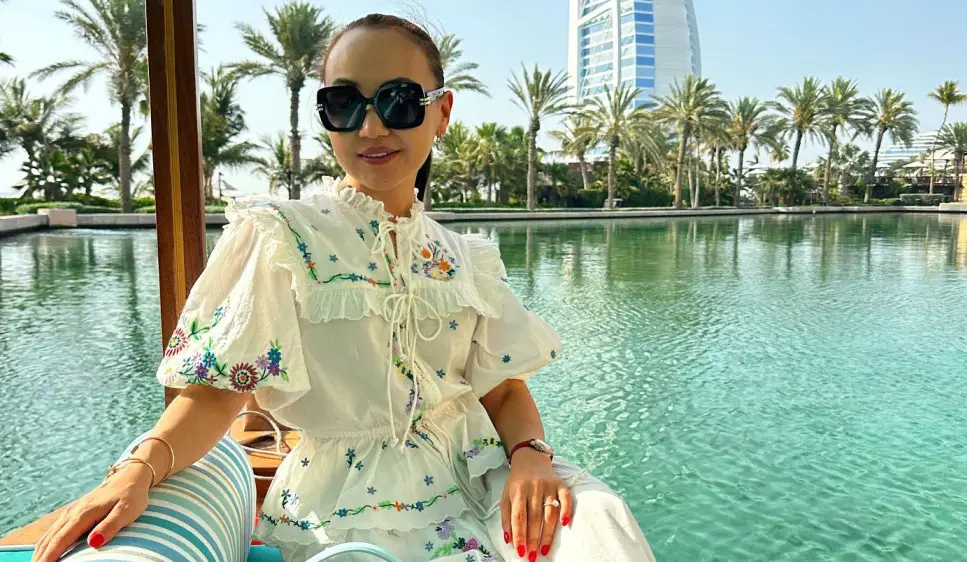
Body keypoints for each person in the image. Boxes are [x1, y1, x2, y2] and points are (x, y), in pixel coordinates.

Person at [30, 14, 654, 562]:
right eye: (345, 104)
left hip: (487, 477)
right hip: (351, 505)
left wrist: (532, 456)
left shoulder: (465, 257)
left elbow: (503, 388)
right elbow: (218, 395)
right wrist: (137, 470)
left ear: (442, 112)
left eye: (399, 100)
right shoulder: (281, 237)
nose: (372, 126)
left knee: (600, 525)